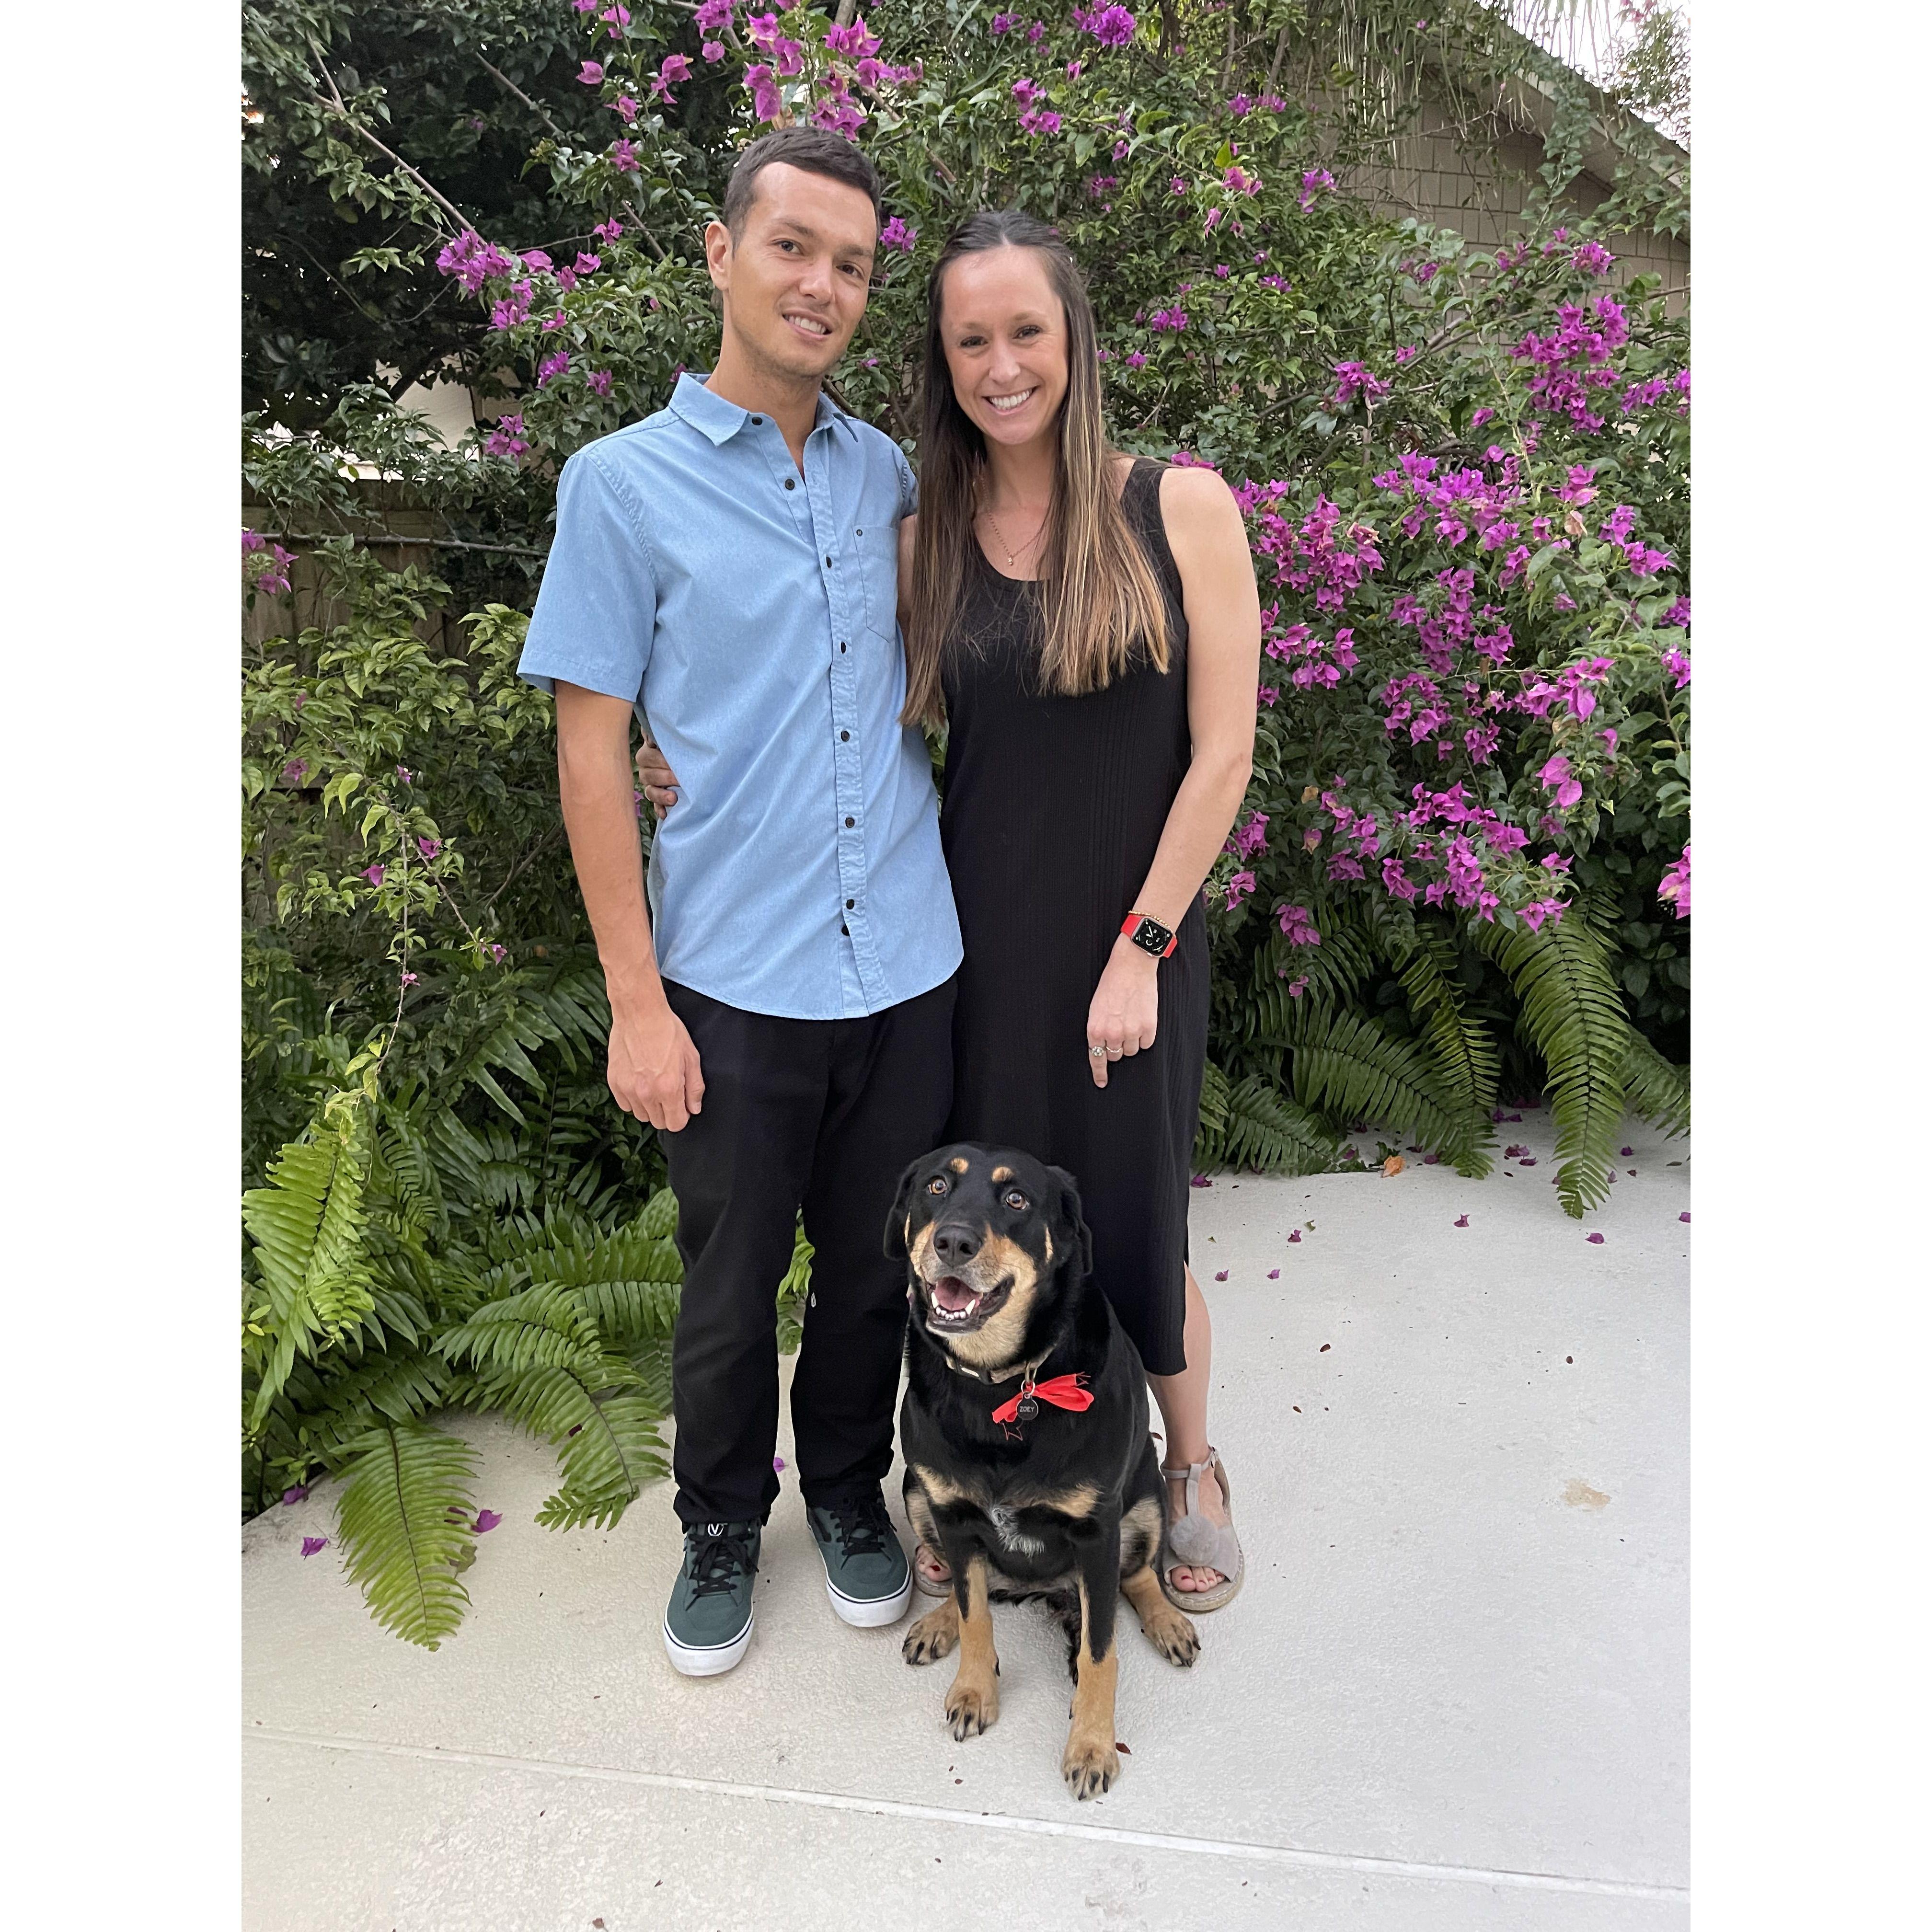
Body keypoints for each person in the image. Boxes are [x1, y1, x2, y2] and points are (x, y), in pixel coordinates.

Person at [644, 209, 1262, 1610]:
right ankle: (979, 1476)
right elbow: (816, 689)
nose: (1002, 365)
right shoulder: (925, 535)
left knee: (1133, 1210)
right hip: (967, 944)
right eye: (971, 340)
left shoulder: (1180, 508)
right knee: (983, 1234)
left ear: (1073, 338)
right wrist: (671, 748)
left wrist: (1142, 946)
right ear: (944, 359)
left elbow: (1223, 755)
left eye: (1025, 331)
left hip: (1135, 938)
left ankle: (1188, 1463)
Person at [518, 127, 961, 1679]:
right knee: (725, 1289)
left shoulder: (888, 475)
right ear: (722, 254)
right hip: (731, 978)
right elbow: (590, 754)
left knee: (875, 1272)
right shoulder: (618, 488)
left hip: (905, 962)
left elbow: (927, 674)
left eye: (852, 264)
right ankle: (720, 1522)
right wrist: (636, 1003)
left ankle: (843, 1490)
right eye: (793, 247)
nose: (822, 285)